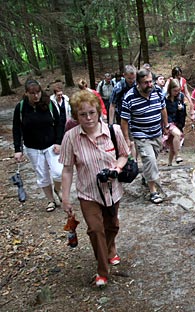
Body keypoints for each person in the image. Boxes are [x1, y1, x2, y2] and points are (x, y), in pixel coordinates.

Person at [59, 90, 129, 288]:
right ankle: (102, 271)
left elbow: (124, 154)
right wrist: (65, 198)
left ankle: (110, 249)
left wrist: (117, 167)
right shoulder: (71, 137)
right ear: (76, 116)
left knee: (112, 225)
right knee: (95, 229)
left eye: (91, 112)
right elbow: (67, 169)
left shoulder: (113, 131)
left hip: (112, 190)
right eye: (82, 114)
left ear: (98, 111)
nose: (88, 118)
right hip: (88, 193)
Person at [12, 79, 64, 212]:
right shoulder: (21, 108)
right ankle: (50, 200)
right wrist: (18, 149)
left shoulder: (49, 104)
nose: (36, 96)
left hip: (51, 145)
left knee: (59, 172)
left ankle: (57, 190)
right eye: (32, 93)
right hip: (33, 147)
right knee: (43, 176)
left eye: (38, 92)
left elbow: (59, 124)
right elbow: (16, 129)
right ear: (26, 93)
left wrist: (58, 142)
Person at [120, 69, 169, 204]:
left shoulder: (157, 91)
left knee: (153, 157)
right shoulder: (129, 97)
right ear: (138, 83)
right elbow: (124, 120)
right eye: (145, 83)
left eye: (150, 81)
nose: (149, 85)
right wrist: (126, 139)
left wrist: (166, 125)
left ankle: (146, 176)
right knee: (150, 160)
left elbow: (163, 108)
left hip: (156, 133)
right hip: (141, 134)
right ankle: (153, 191)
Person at [164, 78, 185, 165]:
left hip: (177, 122)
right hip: (168, 122)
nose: (177, 92)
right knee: (177, 134)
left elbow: (183, 112)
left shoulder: (180, 97)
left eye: (178, 90)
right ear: (170, 89)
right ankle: (178, 156)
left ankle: (169, 163)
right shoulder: (165, 99)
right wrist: (165, 125)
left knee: (173, 145)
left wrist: (181, 108)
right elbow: (163, 112)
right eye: (175, 91)